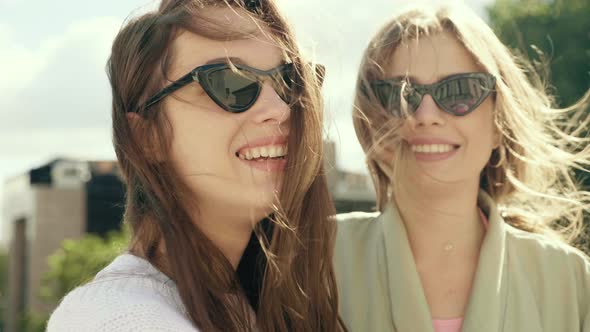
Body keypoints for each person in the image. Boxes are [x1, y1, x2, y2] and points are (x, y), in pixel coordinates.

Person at [47, 0, 345, 331]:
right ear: (148, 136)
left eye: (290, 81)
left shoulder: (257, 305)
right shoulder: (116, 317)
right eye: (229, 82)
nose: (280, 109)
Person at [334, 4, 590, 332]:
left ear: (499, 122)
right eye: (400, 94)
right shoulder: (314, 261)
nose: (425, 114)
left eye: (458, 91)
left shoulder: (570, 282)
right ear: (370, 122)